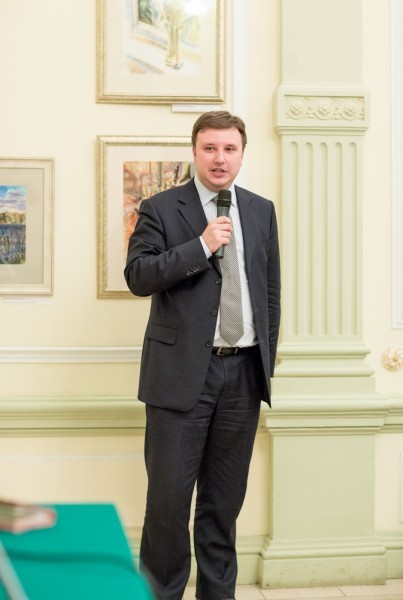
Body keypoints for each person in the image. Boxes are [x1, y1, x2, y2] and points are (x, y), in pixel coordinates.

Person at [124, 111, 281, 600]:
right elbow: (138, 276)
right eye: (210, 148)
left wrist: (264, 361)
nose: (219, 158)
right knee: (167, 508)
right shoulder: (160, 207)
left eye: (229, 148)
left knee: (222, 507)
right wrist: (200, 245)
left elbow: (270, 292)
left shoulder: (260, 210)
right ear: (195, 151)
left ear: (242, 154)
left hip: (243, 376)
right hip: (179, 378)